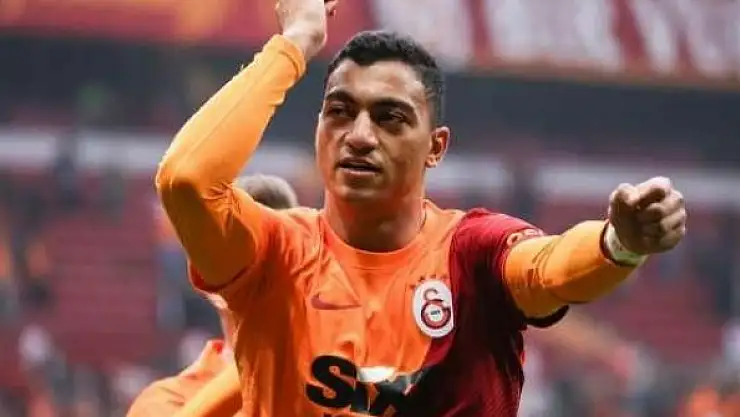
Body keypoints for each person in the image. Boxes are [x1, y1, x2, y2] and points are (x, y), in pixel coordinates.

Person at [154, 0, 688, 415]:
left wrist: (620, 243)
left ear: (436, 146)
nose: (359, 135)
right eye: (339, 111)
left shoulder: (472, 253)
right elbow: (186, 180)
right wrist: (294, 43)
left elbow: (550, 268)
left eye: (390, 117)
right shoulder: (273, 254)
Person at [127, 175, 299, 417]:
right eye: (251, 256)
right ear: (208, 283)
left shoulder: (338, 382)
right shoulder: (165, 403)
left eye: (284, 252)